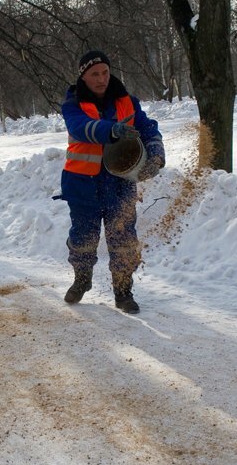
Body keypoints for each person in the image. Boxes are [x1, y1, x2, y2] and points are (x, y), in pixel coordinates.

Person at [57, 50, 165, 314]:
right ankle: (82, 280)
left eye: (105, 72)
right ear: (83, 76)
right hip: (82, 185)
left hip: (119, 183)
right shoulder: (73, 104)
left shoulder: (126, 101)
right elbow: (80, 128)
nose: (102, 78)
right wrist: (112, 130)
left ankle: (123, 291)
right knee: (83, 238)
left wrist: (156, 149)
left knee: (124, 239)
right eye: (95, 74)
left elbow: (147, 125)